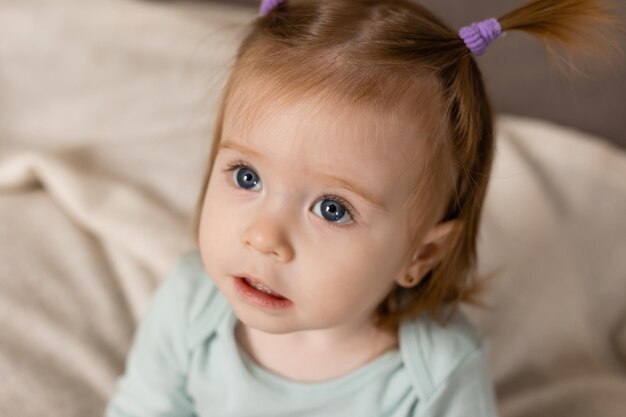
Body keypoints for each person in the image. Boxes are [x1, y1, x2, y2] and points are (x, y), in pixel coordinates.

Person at [106, 0, 620, 415]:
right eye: (247, 177)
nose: (263, 236)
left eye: (332, 209)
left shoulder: (431, 378)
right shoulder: (191, 306)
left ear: (419, 254)